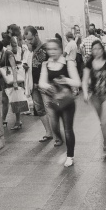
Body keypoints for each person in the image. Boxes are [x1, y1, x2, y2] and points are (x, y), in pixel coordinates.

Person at [39, 38, 81, 167]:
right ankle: (63, 145)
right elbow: (41, 82)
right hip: (54, 101)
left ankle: (70, 156)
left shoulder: (68, 63)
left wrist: (65, 80)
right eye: (49, 49)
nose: (52, 52)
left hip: (67, 102)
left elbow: (77, 82)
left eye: (55, 49)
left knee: (68, 129)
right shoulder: (46, 64)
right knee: (55, 127)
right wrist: (49, 86)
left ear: (60, 49)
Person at [83, 39, 106, 159]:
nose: (96, 51)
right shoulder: (89, 63)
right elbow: (85, 80)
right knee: (103, 122)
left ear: (103, 49)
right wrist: (85, 93)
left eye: (99, 48)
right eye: (94, 49)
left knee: (104, 121)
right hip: (95, 97)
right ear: (91, 51)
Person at [24, 26, 55, 143]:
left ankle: (57, 133)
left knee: (51, 109)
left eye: (31, 39)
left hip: (45, 84)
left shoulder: (46, 48)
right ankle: (48, 132)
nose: (29, 42)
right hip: (33, 85)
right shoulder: (28, 51)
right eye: (27, 40)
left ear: (36, 35)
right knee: (40, 109)